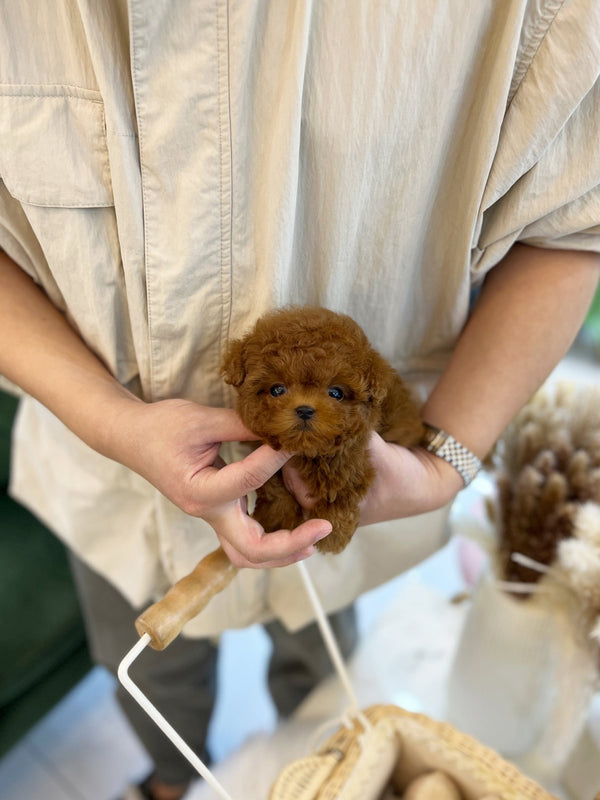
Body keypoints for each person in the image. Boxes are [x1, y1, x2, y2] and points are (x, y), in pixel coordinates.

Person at [1, 2, 599, 798]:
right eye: (282, 389)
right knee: (146, 664)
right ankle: (173, 778)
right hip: (101, 479)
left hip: (361, 497)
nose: (306, 406)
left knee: (322, 662)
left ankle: (324, 757)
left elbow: (570, 225)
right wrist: (112, 423)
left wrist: (447, 459)